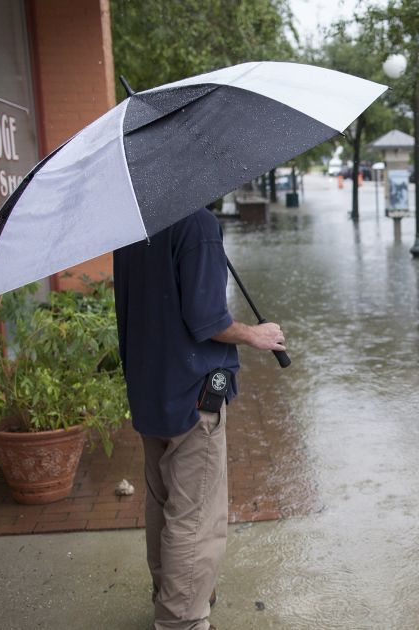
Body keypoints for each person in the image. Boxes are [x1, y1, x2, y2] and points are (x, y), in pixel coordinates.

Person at [113, 207, 285, 630]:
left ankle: (173, 594)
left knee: (163, 502)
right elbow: (209, 320)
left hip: (149, 388)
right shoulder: (197, 224)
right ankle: (182, 618)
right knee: (195, 515)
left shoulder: (130, 226)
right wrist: (256, 335)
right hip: (193, 394)